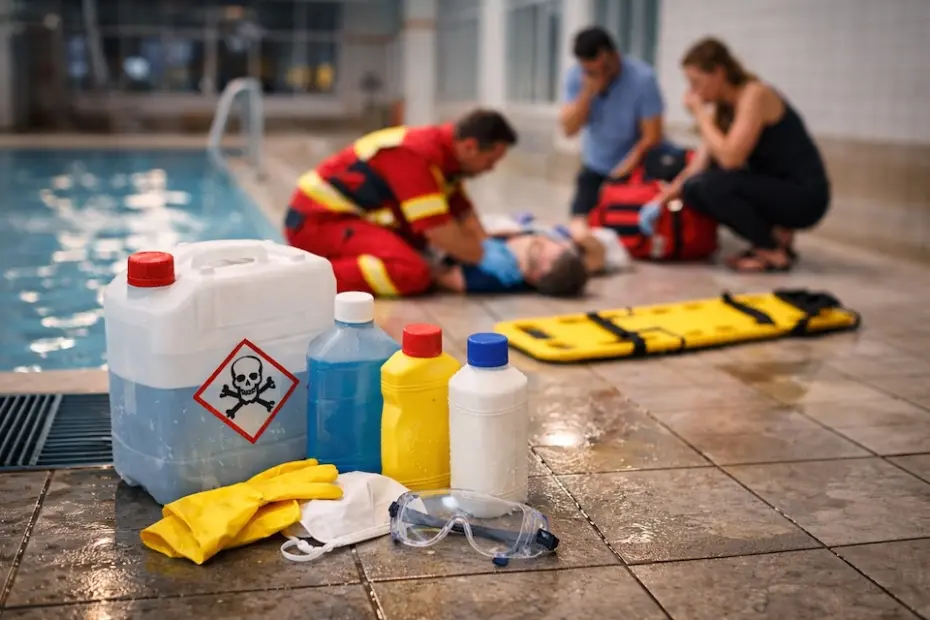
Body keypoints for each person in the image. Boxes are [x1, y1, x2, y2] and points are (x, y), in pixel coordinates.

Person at [284, 109, 522, 296]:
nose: (491, 169)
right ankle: (301, 283)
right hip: (317, 222)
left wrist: (486, 244)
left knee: (422, 250)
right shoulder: (415, 155)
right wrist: (481, 257)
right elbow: (437, 232)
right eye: (490, 160)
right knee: (411, 272)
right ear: (470, 147)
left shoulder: (446, 158)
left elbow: (462, 212)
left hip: (339, 217)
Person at [652, 38, 830, 272]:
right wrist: (669, 192)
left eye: (696, 83)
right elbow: (700, 163)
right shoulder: (721, 107)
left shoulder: (754, 94)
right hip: (774, 188)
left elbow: (731, 158)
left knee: (714, 186)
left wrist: (700, 115)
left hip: (806, 196)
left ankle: (772, 251)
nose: (693, 92)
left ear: (718, 72)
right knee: (694, 189)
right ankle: (773, 240)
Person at [559, 26, 665, 232]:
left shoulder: (643, 79)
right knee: (580, 225)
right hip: (595, 166)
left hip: (635, 166)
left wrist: (619, 175)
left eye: (604, 68)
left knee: (623, 227)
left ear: (615, 55)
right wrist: (586, 95)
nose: (599, 75)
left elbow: (652, 137)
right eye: (591, 70)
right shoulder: (577, 77)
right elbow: (568, 130)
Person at [431, 213, 630, 296]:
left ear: (536, 275)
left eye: (540, 248)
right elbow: (579, 225)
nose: (543, 240)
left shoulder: (494, 276)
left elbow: (437, 275)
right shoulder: (562, 254)